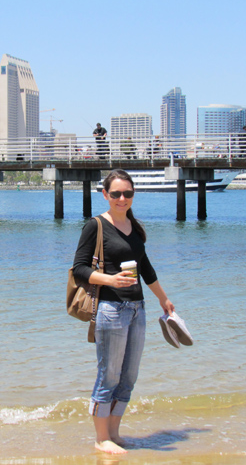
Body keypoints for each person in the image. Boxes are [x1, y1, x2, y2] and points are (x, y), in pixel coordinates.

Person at [72, 169, 176, 455]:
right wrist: (110, 280)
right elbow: (79, 269)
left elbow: (146, 268)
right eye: (116, 193)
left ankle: (114, 433)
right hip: (110, 309)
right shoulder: (95, 226)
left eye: (127, 193)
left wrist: (164, 299)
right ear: (105, 195)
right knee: (109, 375)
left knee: (129, 376)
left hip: (137, 309)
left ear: (133, 195)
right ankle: (101, 438)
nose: (122, 198)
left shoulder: (134, 227)